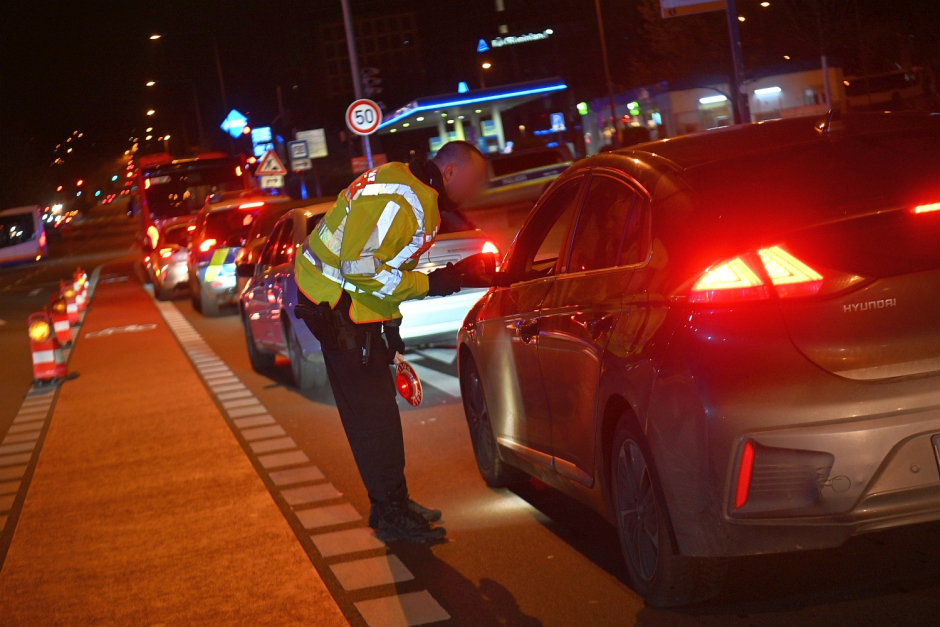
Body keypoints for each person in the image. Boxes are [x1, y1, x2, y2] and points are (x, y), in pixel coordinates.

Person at [293, 141, 487, 542]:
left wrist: (391, 322)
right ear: (449, 172)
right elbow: (359, 266)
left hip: (346, 303)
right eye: (473, 180)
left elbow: (385, 266)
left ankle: (389, 504)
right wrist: (434, 283)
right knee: (373, 417)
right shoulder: (407, 198)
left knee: (376, 413)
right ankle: (393, 511)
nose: (476, 191)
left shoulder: (407, 184)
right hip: (338, 306)